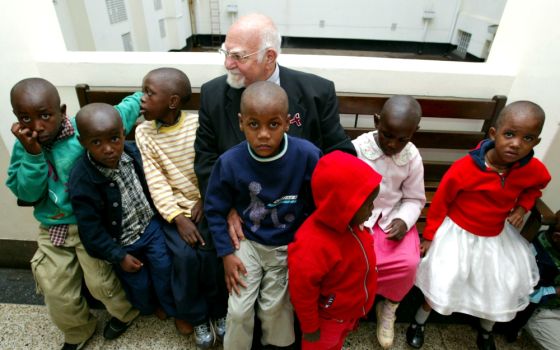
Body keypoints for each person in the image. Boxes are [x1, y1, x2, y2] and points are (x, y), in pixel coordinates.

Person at [195, 12, 355, 248]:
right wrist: (225, 209)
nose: (228, 64)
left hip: (300, 213)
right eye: (226, 53)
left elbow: (341, 154)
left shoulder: (316, 93)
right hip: (242, 214)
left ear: (269, 57)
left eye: (238, 56)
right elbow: (205, 159)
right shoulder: (213, 95)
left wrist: (321, 213)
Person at [6, 78, 141, 350]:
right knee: (54, 288)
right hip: (52, 227)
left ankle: (125, 314)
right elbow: (28, 194)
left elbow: (121, 112)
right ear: (16, 119)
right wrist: (33, 156)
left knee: (101, 282)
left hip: (90, 225)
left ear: (62, 111)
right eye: (26, 118)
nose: (37, 126)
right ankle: (79, 330)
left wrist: (144, 94)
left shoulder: (83, 131)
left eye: (45, 116)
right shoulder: (24, 146)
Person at [406, 101, 551, 350]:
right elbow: (441, 201)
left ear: (535, 142)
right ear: (494, 134)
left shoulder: (532, 169)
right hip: (459, 232)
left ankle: (486, 329)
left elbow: (536, 187)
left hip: (496, 234)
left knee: (501, 284)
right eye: (509, 134)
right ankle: (419, 321)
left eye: (527, 138)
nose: (516, 144)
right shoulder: (465, 168)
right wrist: (429, 235)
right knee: (443, 279)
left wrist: (522, 207)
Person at [204, 81, 322, 349]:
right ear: (241, 122)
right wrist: (226, 254)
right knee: (238, 310)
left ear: (288, 123)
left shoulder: (307, 156)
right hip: (248, 243)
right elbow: (214, 208)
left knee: (274, 310)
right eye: (254, 124)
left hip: (286, 245)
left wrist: (305, 245)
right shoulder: (230, 162)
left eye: (274, 124)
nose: (264, 135)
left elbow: (319, 203)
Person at [134, 67, 227, 349]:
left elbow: (213, 165)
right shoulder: (144, 133)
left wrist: (204, 198)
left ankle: (219, 312)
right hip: (173, 212)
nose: (142, 99)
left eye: (149, 93)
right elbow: (155, 180)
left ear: (173, 102)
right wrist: (177, 218)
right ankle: (196, 316)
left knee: (211, 254)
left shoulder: (198, 124)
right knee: (184, 259)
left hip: (206, 203)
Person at [68, 103, 175, 321]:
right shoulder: (81, 179)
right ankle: (147, 306)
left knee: (164, 268)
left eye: (114, 139)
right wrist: (119, 256)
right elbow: (91, 231)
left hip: (150, 228)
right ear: (82, 142)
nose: (108, 148)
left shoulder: (134, 153)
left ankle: (168, 306)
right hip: (122, 243)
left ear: (123, 133)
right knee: (138, 284)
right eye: (96, 142)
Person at [288, 150, 382, 350]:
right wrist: (310, 327)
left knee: (336, 344)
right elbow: (302, 292)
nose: (373, 209)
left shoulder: (353, 225)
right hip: (327, 321)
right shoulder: (311, 244)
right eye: (368, 204)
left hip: (348, 314)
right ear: (344, 204)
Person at [352, 95, 425, 349]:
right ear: (377, 122)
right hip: (359, 217)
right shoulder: (358, 148)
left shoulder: (412, 156)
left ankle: (389, 307)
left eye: (402, 139)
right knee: (355, 259)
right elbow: (345, 187)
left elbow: (415, 198)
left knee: (407, 262)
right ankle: (354, 305)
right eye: (387, 135)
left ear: (415, 132)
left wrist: (405, 220)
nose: (393, 144)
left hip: (393, 217)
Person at [523, 210, 560, 349]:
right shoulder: (536, 257)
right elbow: (525, 296)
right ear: (557, 237)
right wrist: (555, 291)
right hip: (539, 313)